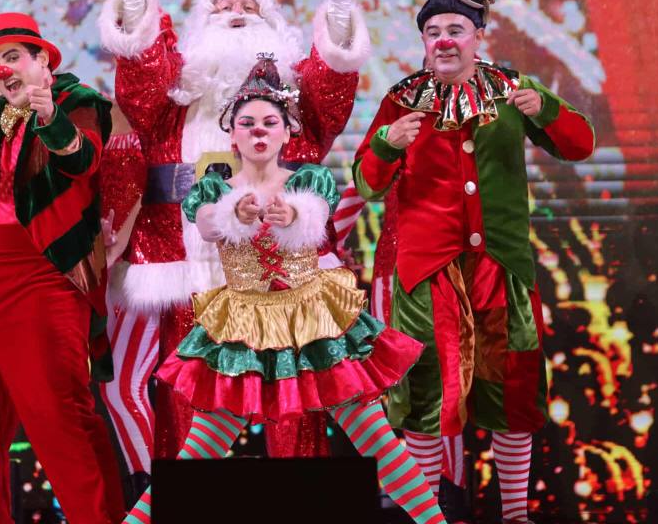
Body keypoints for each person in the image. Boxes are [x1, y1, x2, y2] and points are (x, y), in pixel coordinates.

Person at [120, 54, 444, 524]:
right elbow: (206, 224)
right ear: (231, 134)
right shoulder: (213, 190)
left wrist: (293, 215)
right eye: (247, 123)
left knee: (375, 437)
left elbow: (317, 212)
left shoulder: (308, 181)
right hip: (244, 329)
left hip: (314, 326)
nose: (259, 131)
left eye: (270, 122)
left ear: (288, 131)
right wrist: (233, 214)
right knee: (197, 454)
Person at [98, 0, 371, 487]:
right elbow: (140, 74)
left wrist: (340, 6)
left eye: (249, 4)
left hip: (284, 269)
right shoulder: (175, 94)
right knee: (189, 393)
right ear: (202, 22)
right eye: (222, 5)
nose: (236, 12)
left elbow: (332, 82)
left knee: (293, 396)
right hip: (190, 262)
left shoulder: (295, 100)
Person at [353, 0, 595, 524]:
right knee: (426, 400)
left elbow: (580, 145)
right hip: (428, 277)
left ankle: (515, 515)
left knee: (513, 395)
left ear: (478, 36)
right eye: (433, 31)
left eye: (455, 30)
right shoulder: (402, 100)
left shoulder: (513, 89)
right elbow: (366, 184)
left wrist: (548, 109)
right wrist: (387, 144)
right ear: (423, 41)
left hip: (501, 268)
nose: (444, 40)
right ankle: (428, 517)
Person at [0, 13, 123, 523]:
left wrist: (51, 118)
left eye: (13, 57)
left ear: (44, 60)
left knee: (57, 418)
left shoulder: (79, 102)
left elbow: (83, 161)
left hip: (44, 275)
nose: (3, 69)